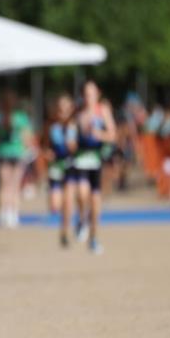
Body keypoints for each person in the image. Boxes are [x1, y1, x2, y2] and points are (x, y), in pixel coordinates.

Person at [72, 81, 117, 254]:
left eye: (91, 93)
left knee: (96, 203)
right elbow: (70, 133)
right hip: (81, 159)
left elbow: (113, 135)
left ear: (97, 94)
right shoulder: (78, 113)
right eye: (85, 93)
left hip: (97, 160)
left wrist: (99, 134)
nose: (88, 97)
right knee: (82, 194)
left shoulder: (102, 111)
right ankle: (82, 220)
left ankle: (94, 239)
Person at [0, 90, 34, 228]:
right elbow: (27, 137)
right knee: (15, 185)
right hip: (17, 153)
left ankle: (5, 214)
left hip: (3, 153)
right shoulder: (21, 117)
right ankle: (14, 215)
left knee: (4, 185)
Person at [42, 93, 78, 247]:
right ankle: (60, 211)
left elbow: (81, 147)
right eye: (60, 108)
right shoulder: (50, 126)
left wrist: (75, 148)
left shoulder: (75, 127)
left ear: (71, 109)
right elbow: (43, 146)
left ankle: (64, 232)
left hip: (70, 165)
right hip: (55, 167)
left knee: (68, 201)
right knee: (55, 205)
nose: (63, 111)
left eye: (66, 108)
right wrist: (47, 154)